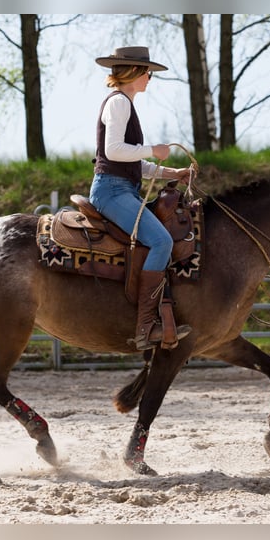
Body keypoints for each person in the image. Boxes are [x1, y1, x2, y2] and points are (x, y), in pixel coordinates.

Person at [90, 46, 192, 351]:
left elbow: (131, 162)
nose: (150, 78)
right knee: (162, 242)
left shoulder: (122, 103)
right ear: (134, 72)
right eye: (148, 72)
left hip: (120, 188)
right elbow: (114, 151)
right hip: (112, 192)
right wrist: (153, 149)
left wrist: (170, 171)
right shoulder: (119, 103)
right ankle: (146, 327)